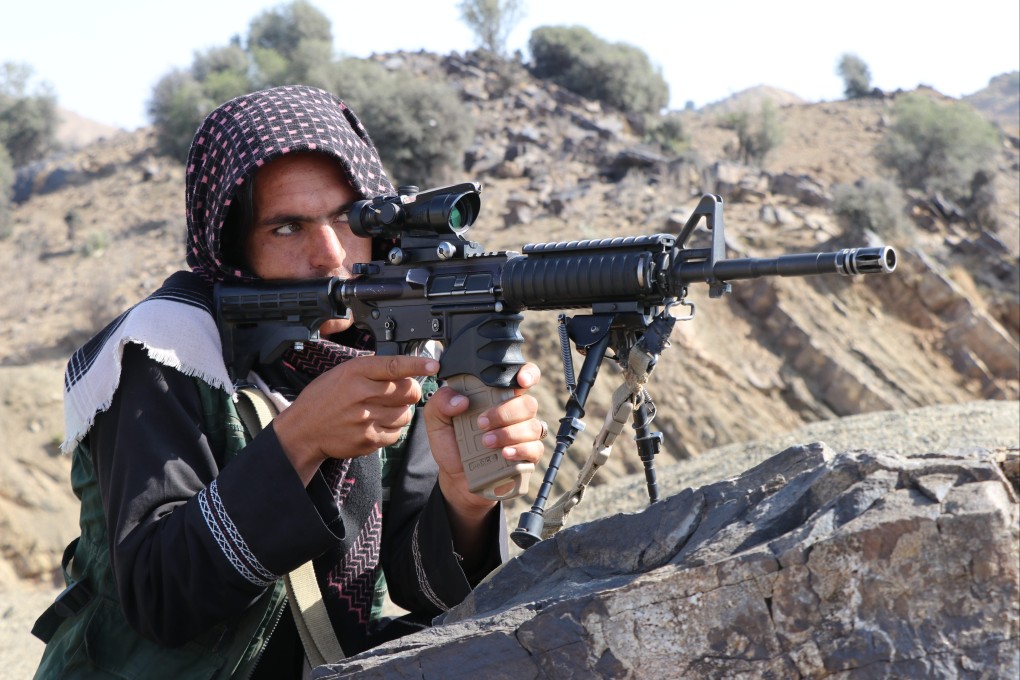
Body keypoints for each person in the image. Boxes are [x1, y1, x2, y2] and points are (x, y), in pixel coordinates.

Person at [33, 85, 546, 679]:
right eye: (286, 229)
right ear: (232, 246)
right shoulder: (165, 350)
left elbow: (422, 589)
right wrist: (298, 442)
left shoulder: (392, 340)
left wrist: (465, 500)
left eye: (349, 219)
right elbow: (160, 599)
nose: (330, 255)